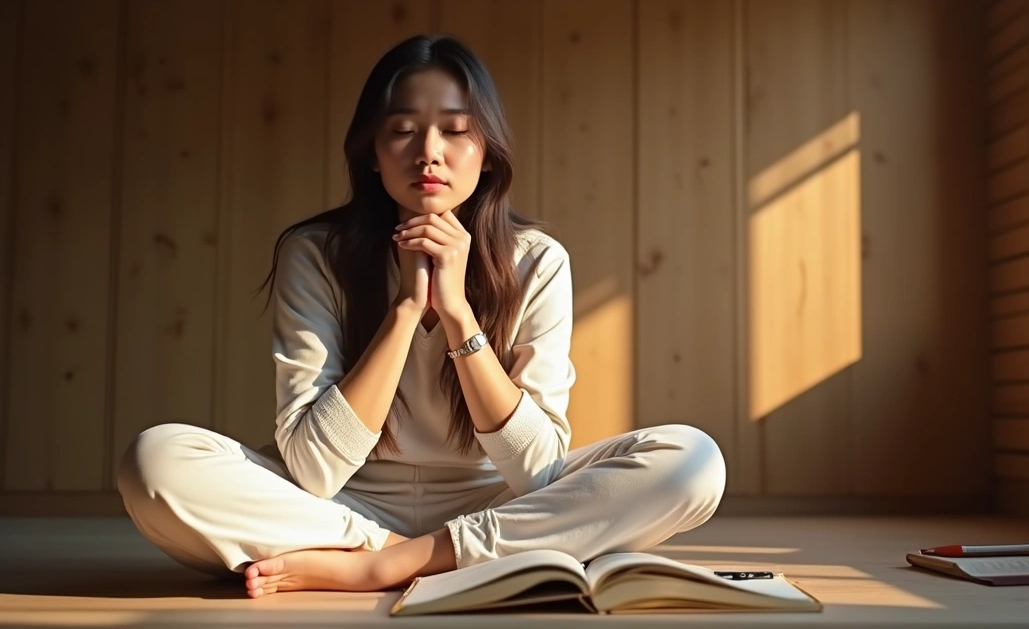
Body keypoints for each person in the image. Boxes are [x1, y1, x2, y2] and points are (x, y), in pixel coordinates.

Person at [117, 34, 726, 598]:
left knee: (693, 463)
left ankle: (379, 565)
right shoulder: (317, 254)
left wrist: (458, 314)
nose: (429, 153)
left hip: (496, 506)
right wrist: (407, 309)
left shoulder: (537, 260)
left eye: (456, 130)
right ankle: (416, 554)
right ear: (373, 153)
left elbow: (536, 474)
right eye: (403, 130)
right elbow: (312, 469)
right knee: (156, 462)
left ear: (487, 154)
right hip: (339, 508)